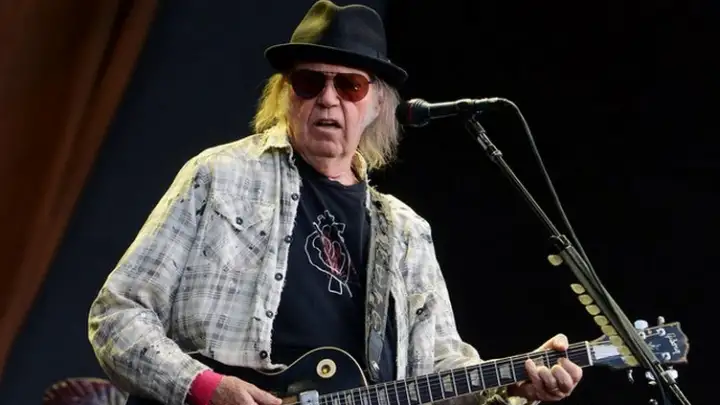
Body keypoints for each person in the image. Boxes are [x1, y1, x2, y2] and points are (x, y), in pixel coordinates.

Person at [88, 1, 583, 405]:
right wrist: (205, 388)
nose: (328, 98)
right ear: (285, 94)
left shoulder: (406, 231)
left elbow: (440, 370)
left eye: (349, 85)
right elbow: (117, 316)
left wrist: (513, 385)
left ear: (377, 104)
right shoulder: (219, 176)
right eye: (310, 82)